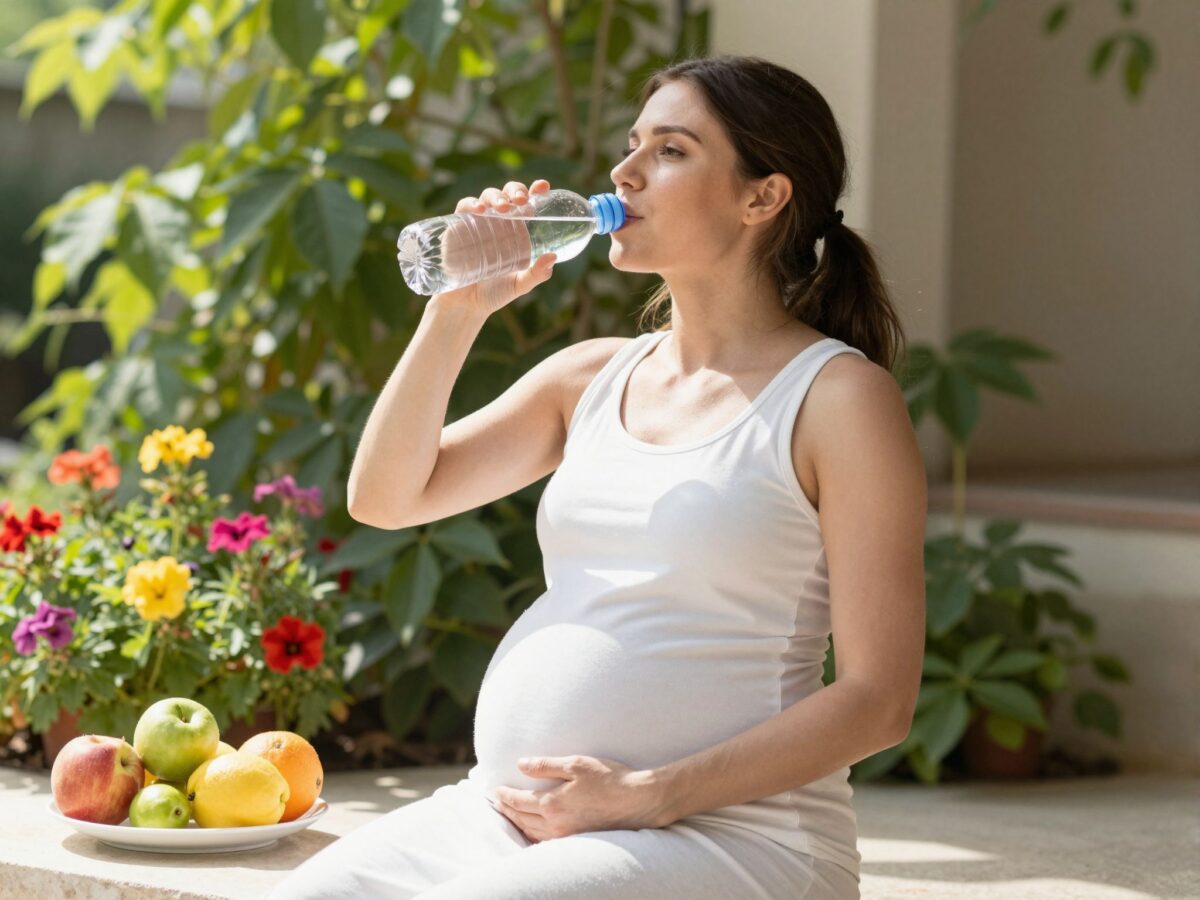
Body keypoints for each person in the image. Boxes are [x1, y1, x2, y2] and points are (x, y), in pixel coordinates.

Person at [270, 53, 926, 900]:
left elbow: (879, 701)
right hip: (506, 818)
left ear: (762, 197)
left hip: (735, 840)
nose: (624, 172)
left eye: (672, 150)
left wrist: (650, 796)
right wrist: (458, 308)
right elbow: (388, 497)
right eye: (631, 144)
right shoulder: (589, 378)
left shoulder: (838, 401)